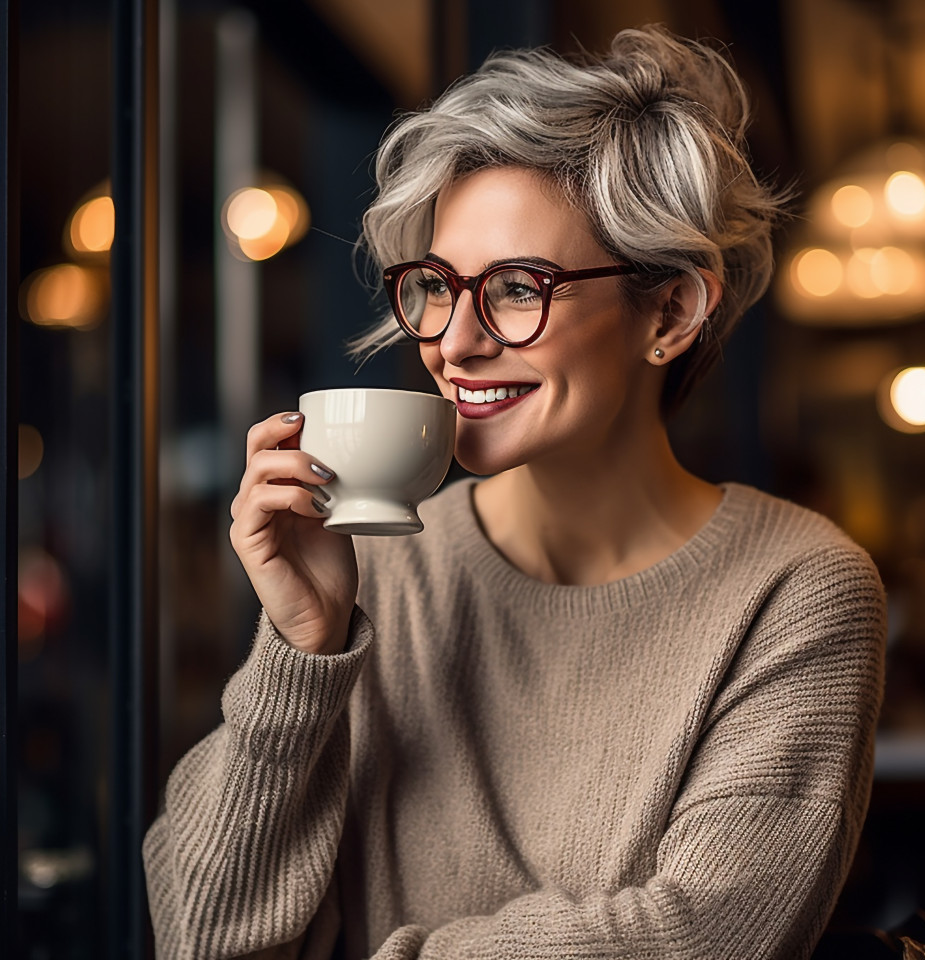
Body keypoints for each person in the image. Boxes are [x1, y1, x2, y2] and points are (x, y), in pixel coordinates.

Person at [143, 25, 886, 960]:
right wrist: (300, 649)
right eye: (436, 288)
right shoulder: (376, 564)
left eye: (518, 288)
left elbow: (701, 935)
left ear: (671, 311)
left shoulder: (796, 589)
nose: (454, 342)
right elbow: (201, 938)